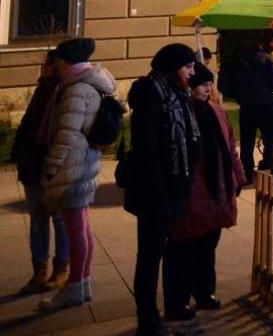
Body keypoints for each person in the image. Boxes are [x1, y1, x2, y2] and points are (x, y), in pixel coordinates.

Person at [123, 43, 200, 335]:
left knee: (177, 248)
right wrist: (162, 194)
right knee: (150, 254)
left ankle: (174, 303)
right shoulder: (151, 93)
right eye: (188, 66)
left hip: (177, 186)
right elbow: (147, 150)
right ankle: (148, 317)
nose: (192, 72)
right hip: (156, 191)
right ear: (172, 67)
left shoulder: (177, 92)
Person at [36, 38, 115, 311]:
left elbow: (66, 135)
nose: (54, 65)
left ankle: (75, 286)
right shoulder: (85, 84)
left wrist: (50, 167)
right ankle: (82, 284)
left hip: (73, 166)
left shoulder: (76, 89)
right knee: (82, 228)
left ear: (65, 61)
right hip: (84, 164)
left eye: (57, 60)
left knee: (76, 231)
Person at [164, 65, 245, 317]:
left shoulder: (216, 111)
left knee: (208, 245)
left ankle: (204, 292)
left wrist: (238, 176)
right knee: (185, 248)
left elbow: (230, 147)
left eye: (209, 84)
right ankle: (177, 302)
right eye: (201, 84)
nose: (207, 88)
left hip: (218, 187)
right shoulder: (182, 113)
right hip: (194, 189)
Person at [12, 49, 70, 295]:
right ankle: (39, 271)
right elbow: (29, 126)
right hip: (32, 165)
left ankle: (61, 270)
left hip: (51, 167)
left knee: (59, 219)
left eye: (49, 64)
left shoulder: (63, 92)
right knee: (38, 221)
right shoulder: (43, 90)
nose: (44, 68)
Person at [219, 38, 273, 173]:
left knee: (247, 142)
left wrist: (238, 95)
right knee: (271, 139)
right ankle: (267, 167)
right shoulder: (267, 59)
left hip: (246, 106)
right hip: (267, 104)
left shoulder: (233, 63)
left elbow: (224, 87)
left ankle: (246, 171)